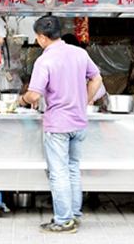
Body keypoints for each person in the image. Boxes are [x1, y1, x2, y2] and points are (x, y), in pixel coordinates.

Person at [19, 16, 104, 233]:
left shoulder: (44, 61)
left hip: (58, 124)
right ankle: (74, 215)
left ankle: (64, 220)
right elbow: (97, 79)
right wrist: (84, 101)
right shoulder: (79, 53)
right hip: (78, 122)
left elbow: (34, 94)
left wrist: (23, 99)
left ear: (41, 38)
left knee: (59, 173)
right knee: (73, 168)